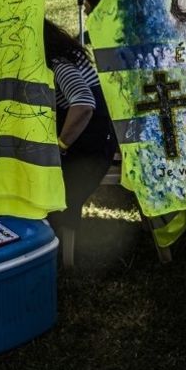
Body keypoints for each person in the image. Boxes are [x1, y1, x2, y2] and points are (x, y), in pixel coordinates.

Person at [44, 18, 117, 264]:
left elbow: (84, 104)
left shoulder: (57, 64)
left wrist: (61, 146)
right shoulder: (66, 55)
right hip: (97, 138)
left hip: (93, 146)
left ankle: (61, 255)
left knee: (58, 191)